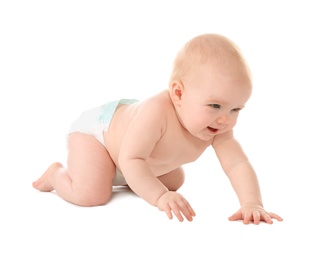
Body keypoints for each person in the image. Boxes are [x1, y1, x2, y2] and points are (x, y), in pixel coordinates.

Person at [33, 33, 283, 224]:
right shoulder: (156, 113)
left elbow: (237, 164)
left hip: (134, 156)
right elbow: (130, 157)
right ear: (178, 93)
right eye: (215, 105)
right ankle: (56, 175)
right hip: (100, 136)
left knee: (175, 180)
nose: (225, 119)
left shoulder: (218, 125)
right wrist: (159, 197)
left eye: (236, 109)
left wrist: (252, 203)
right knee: (92, 195)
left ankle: (127, 179)